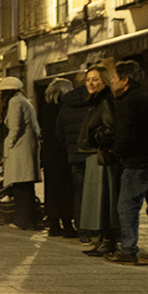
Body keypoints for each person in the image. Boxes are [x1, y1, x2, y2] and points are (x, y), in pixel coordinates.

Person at [105, 61, 148, 265]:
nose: (112, 81)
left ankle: (128, 250)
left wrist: (115, 152)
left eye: (114, 78)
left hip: (138, 161)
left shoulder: (129, 101)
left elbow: (126, 133)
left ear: (125, 80)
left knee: (127, 205)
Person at [77, 65, 120, 257]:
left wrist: (98, 139)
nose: (90, 83)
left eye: (95, 79)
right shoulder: (96, 101)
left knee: (105, 199)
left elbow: (111, 127)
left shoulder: (105, 101)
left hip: (102, 156)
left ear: (104, 80)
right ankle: (103, 239)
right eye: (88, 80)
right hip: (95, 155)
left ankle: (108, 240)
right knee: (99, 200)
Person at [0, 77, 41, 230]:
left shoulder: (14, 102)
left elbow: (15, 128)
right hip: (28, 146)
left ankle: (22, 220)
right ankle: (31, 219)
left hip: (20, 147)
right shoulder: (24, 100)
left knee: (20, 185)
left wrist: (7, 150)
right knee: (26, 185)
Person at [55, 73, 90, 241]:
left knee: (79, 193)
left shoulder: (66, 104)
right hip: (94, 155)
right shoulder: (94, 101)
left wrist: (71, 148)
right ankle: (98, 230)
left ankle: (83, 231)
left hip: (75, 155)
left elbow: (59, 132)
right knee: (97, 192)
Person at [40, 78, 76, 237]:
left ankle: (54, 224)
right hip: (62, 154)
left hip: (49, 155)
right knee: (66, 190)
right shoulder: (65, 108)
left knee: (51, 189)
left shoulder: (46, 109)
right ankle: (67, 225)